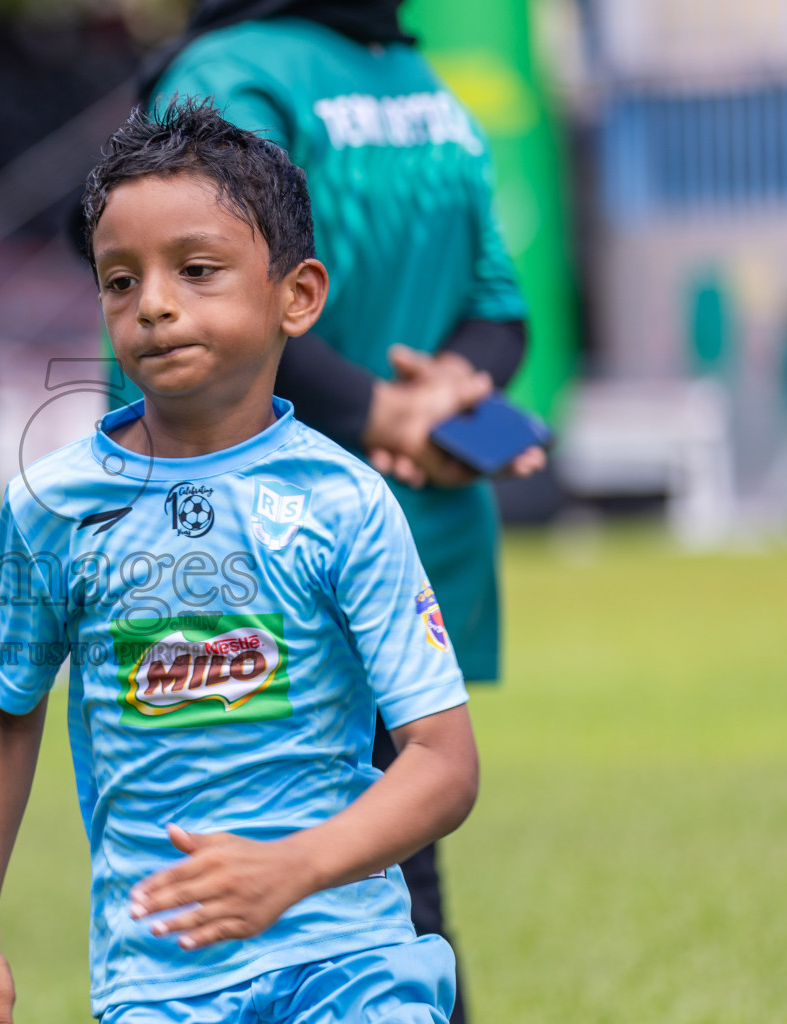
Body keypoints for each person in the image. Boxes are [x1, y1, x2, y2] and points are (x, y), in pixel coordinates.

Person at [0, 100, 479, 1024]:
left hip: (348, 955)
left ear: (296, 296)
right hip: (162, 981)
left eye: (196, 271)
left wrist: (294, 867)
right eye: (119, 280)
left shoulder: (345, 502)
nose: (152, 303)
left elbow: (443, 761)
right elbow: (3, 715)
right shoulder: (52, 508)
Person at [143, 4, 545, 1018]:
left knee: (268, 902)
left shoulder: (226, 68)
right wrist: (440, 407)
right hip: (400, 517)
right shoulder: (429, 91)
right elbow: (500, 307)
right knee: (395, 868)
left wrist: (395, 412)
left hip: (255, 540)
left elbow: (200, 296)